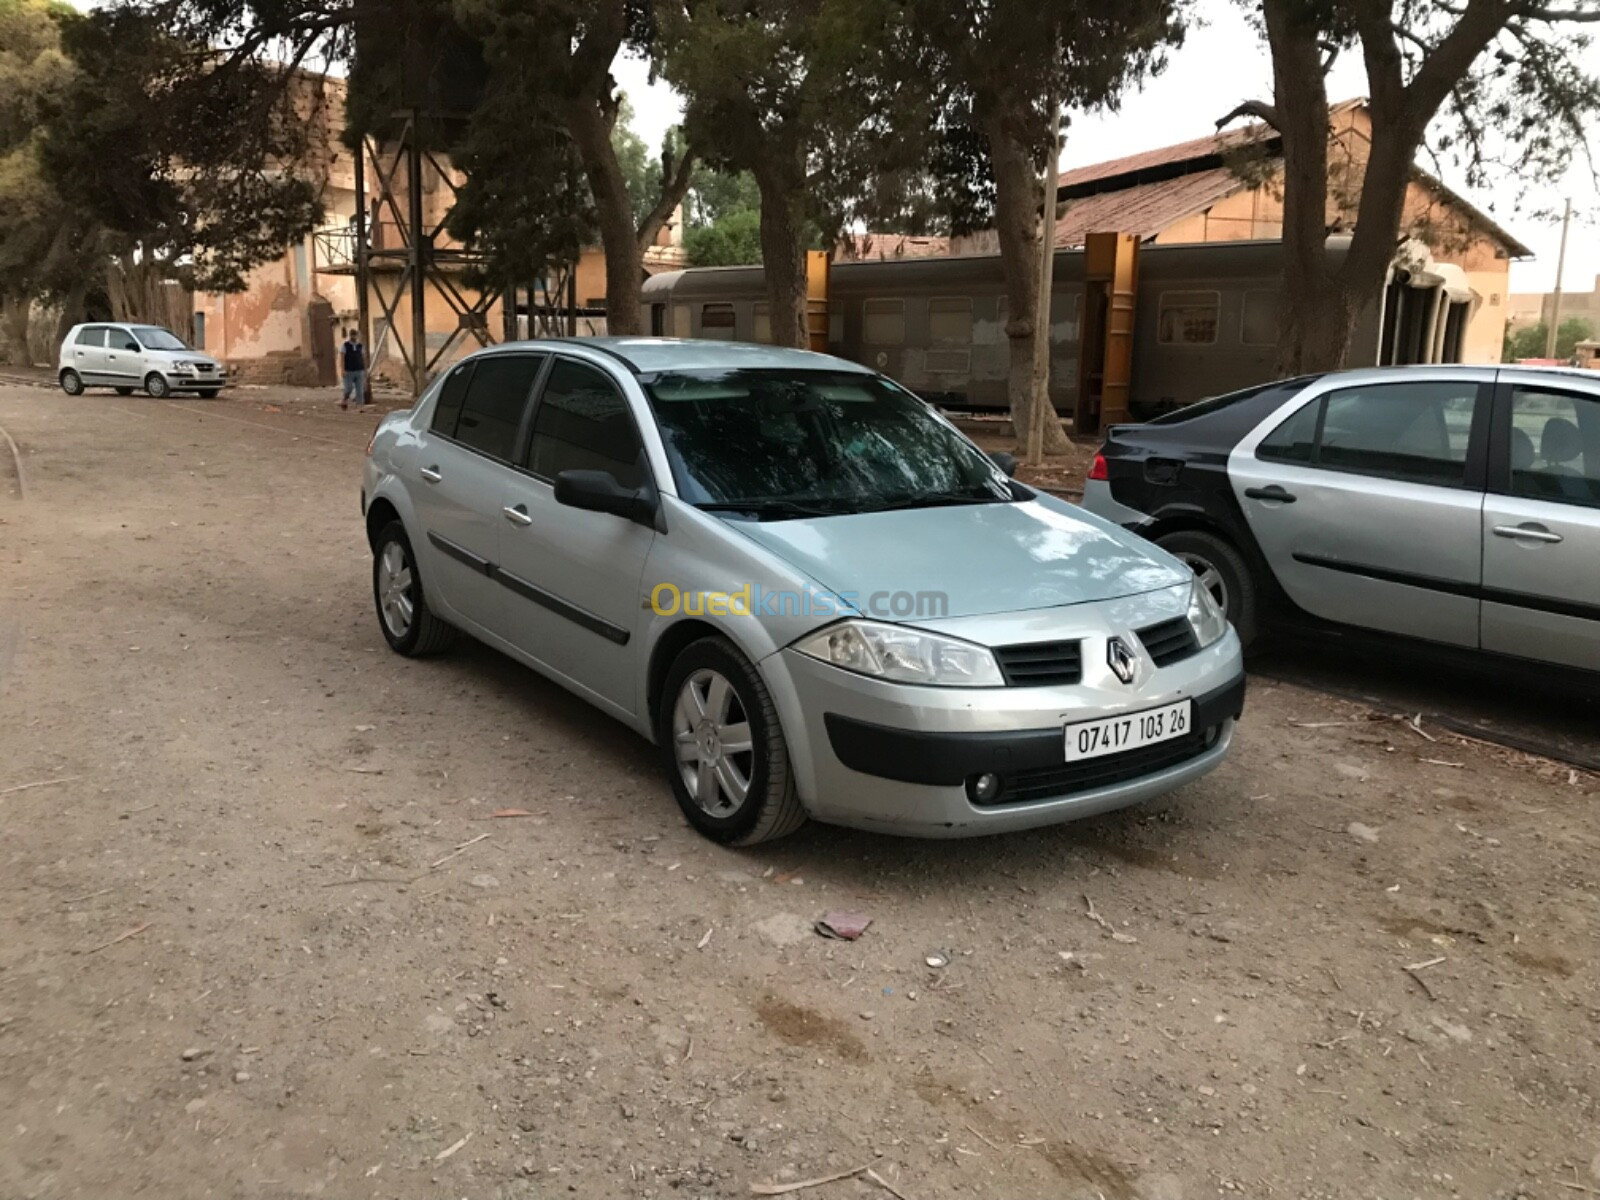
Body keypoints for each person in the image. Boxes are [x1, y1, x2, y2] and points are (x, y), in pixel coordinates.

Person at [340, 329, 367, 410]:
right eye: (352, 335)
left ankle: (360, 406)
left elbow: (363, 357)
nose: (354, 337)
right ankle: (344, 399)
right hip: (348, 371)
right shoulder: (345, 345)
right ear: (350, 335)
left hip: (359, 370)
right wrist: (342, 369)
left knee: (360, 389)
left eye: (355, 335)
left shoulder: (360, 346)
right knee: (348, 388)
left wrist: (365, 369)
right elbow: (342, 358)